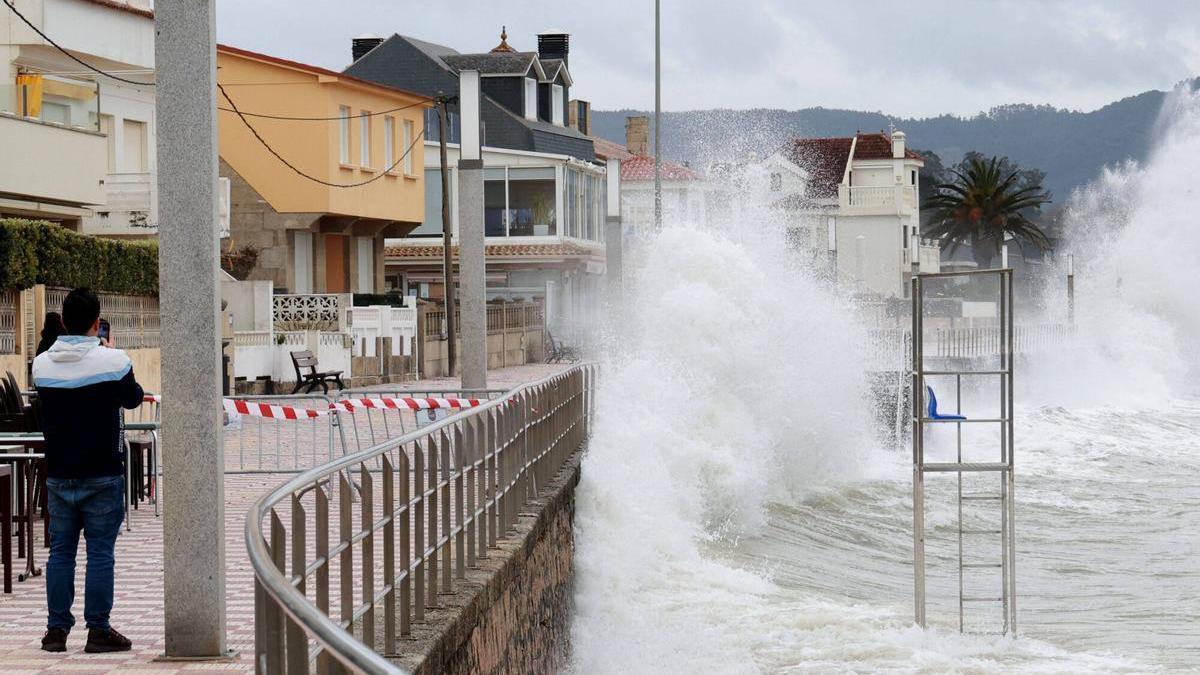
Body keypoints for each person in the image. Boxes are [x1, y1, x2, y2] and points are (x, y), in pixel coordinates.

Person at [32, 288, 142, 654]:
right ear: (97, 324)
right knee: (100, 553)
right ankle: (98, 630)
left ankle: (55, 631)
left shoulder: (42, 364)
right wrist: (109, 352)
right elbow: (133, 397)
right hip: (103, 473)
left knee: (61, 552)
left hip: (60, 473)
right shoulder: (114, 361)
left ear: (62, 322)